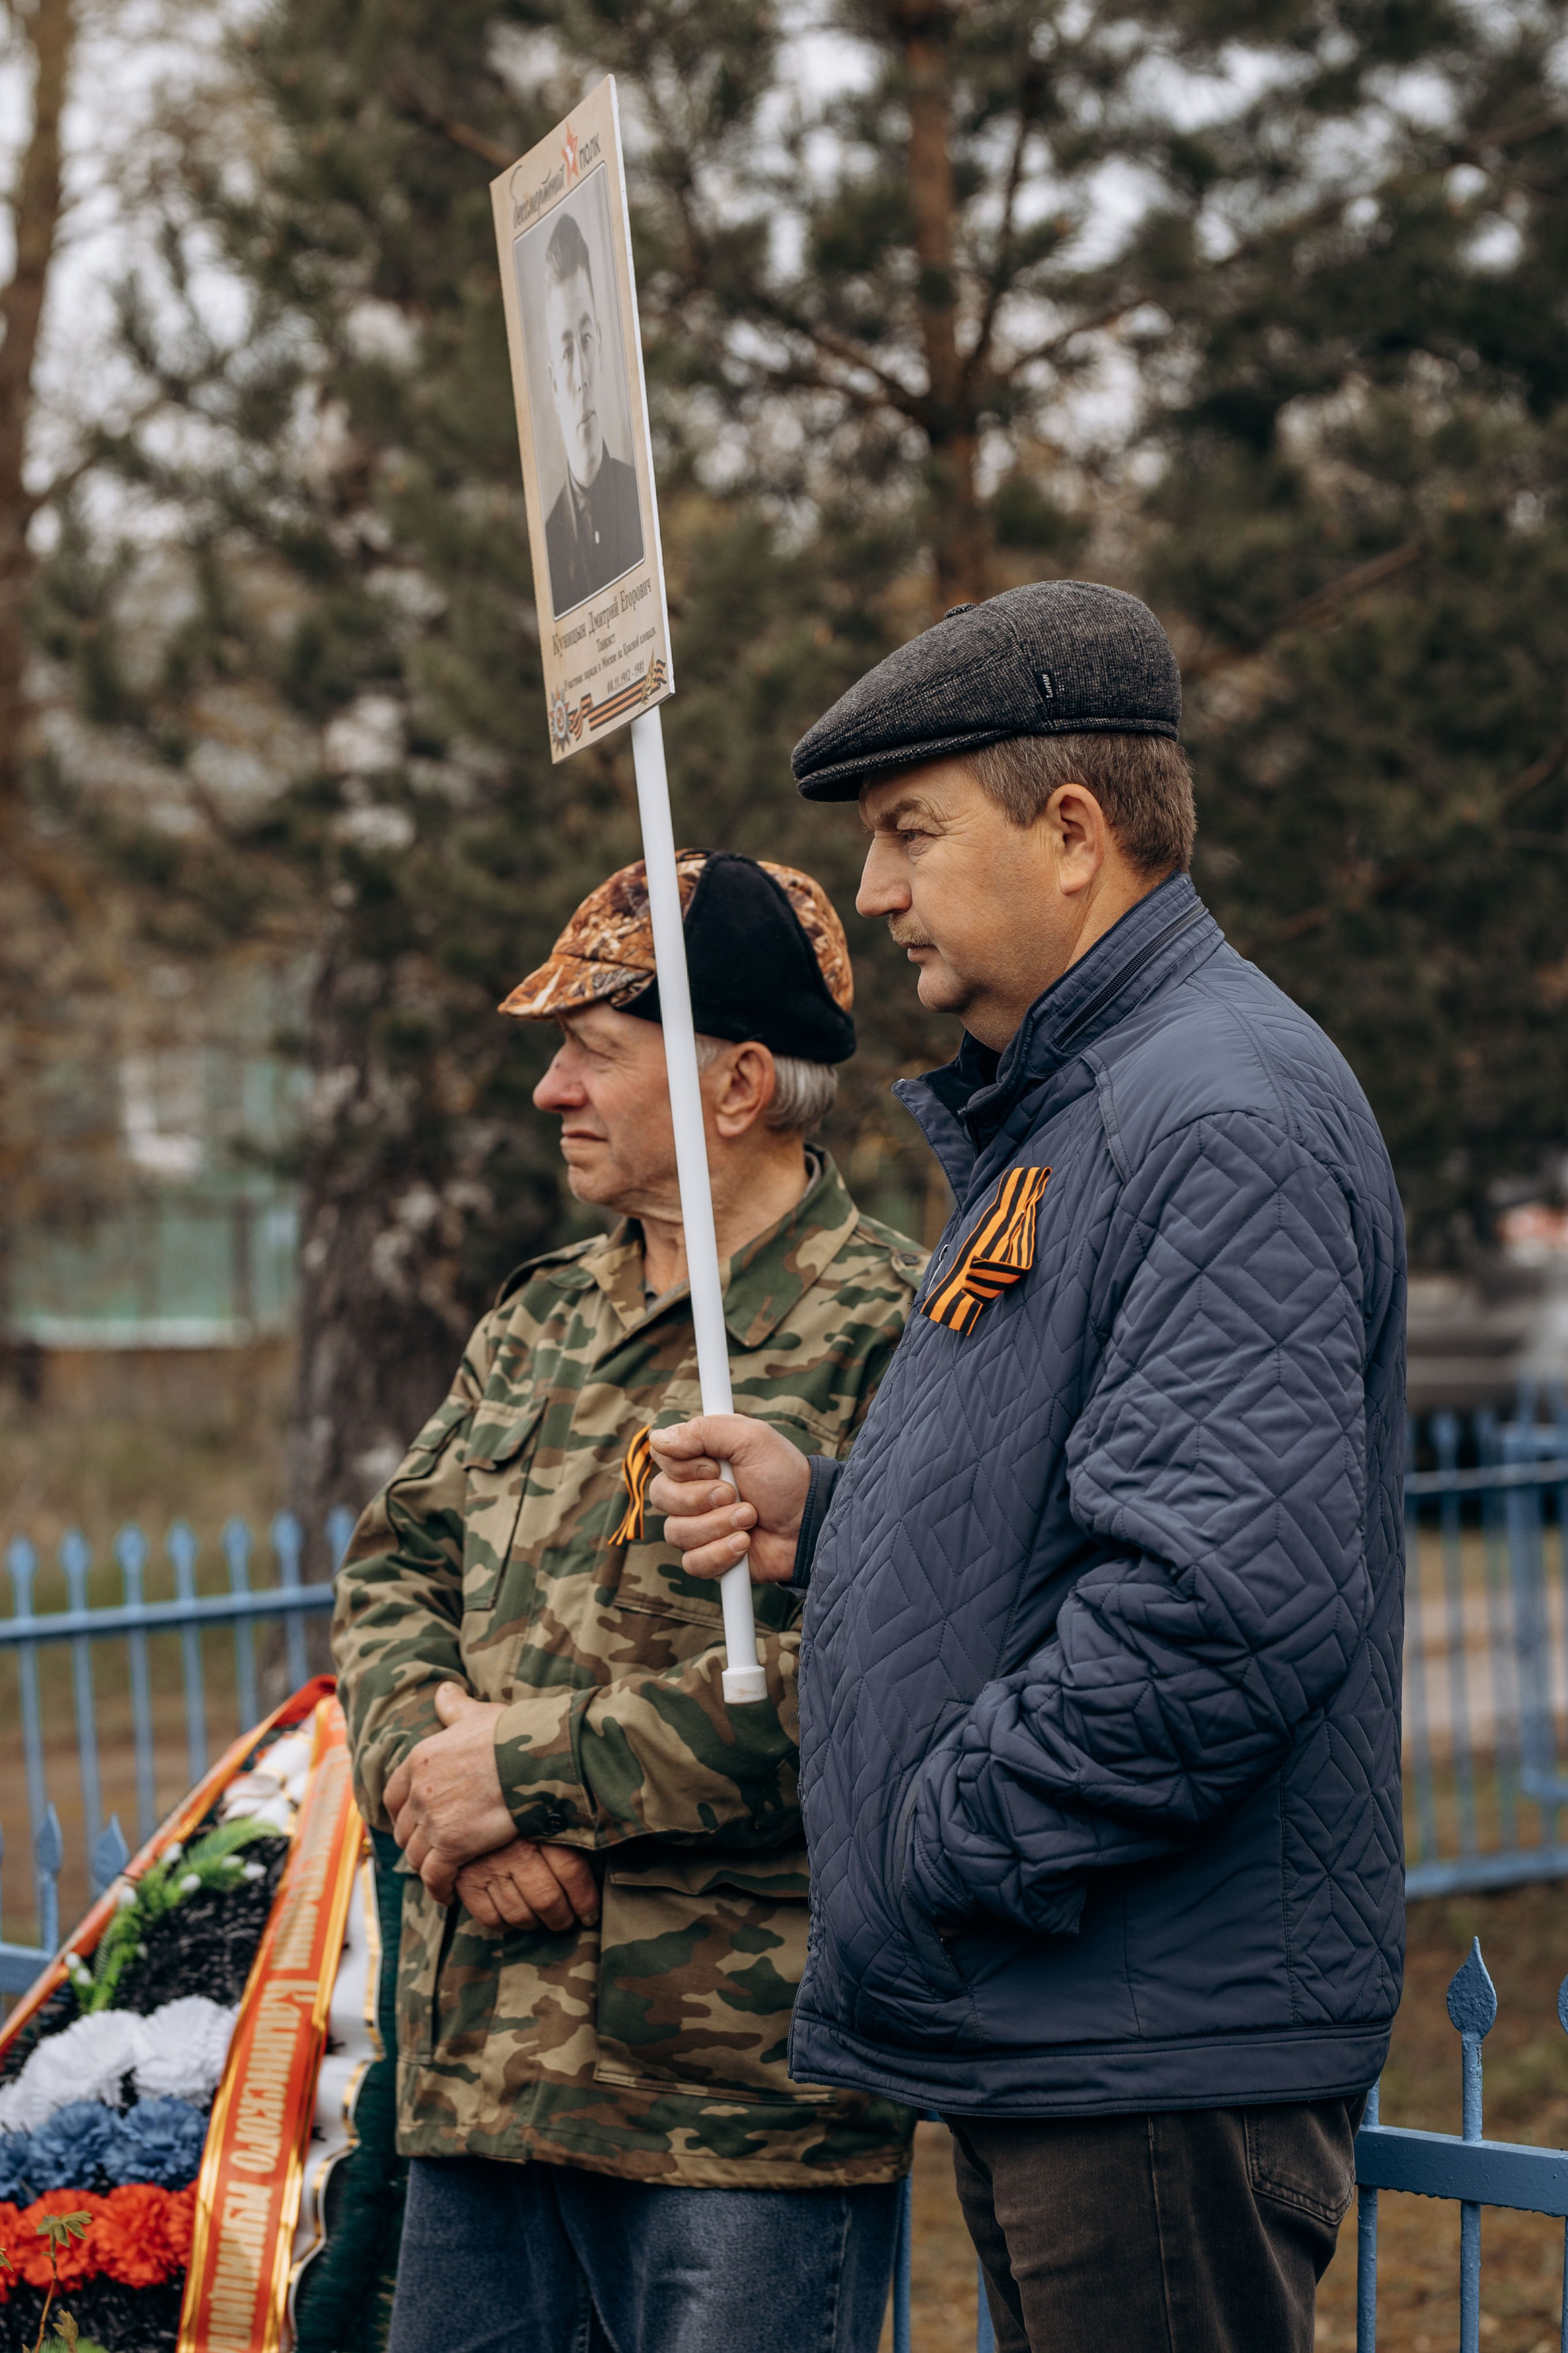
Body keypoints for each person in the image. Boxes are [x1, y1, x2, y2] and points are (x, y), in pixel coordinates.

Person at [649, 583, 1406, 2353]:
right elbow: (1088, 1513)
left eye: (912, 831)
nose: (877, 891)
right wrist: (823, 1518)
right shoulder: (1080, 1108)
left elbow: (1223, 1606)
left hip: (1146, 2036)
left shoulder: (1212, 1111)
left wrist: (940, 1840)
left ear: (1075, 835)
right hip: (1079, 2016)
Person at [331, 848, 924, 2353]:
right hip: (485, 2080)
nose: (553, 1093)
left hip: (735, 2121)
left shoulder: (902, 1336)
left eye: (592, 1052)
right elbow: (392, 1570)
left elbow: (880, 1681)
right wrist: (437, 1782)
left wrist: (520, 1771)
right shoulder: (535, 1317)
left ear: (735, 1085)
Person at [540, 207, 644, 613]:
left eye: (585, 338)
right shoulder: (548, 546)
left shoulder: (639, 501)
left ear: (600, 344)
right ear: (552, 381)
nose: (581, 375)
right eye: (566, 351)